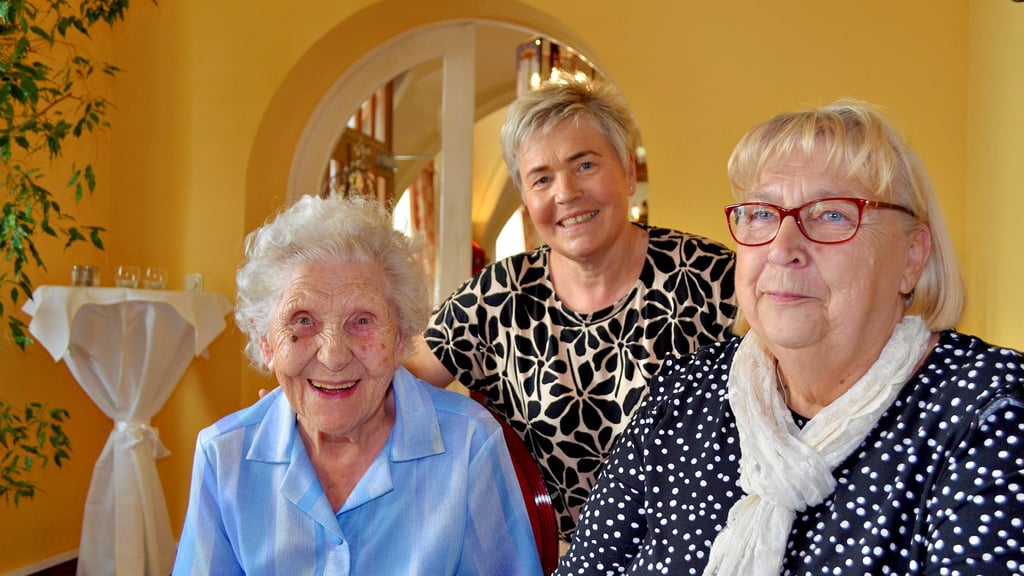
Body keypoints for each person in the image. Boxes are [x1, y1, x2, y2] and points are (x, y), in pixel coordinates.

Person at [555, 99, 1024, 575]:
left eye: (831, 215)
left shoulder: (991, 413)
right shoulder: (685, 390)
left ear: (912, 257)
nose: (782, 249)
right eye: (760, 213)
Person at [405, 78, 737, 541]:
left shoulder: (710, 276)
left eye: (584, 164)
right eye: (541, 178)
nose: (565, 192)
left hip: (699, 552)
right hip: (551, 559)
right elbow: (398, 386)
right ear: (526, 197)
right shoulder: (498, 297)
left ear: (627, 173)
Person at [172, 194, 542, 575]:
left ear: (400, 338)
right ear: (266, 341)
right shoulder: (224, 456)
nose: (333, 356)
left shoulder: (469, 444)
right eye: (303, 321)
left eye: (362, 321)